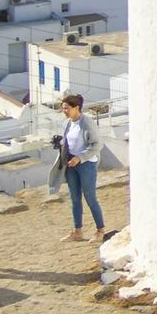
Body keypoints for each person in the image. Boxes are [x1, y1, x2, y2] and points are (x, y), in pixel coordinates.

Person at [55, 93, 107, 243]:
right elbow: (68, 142)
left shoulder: (87, 122)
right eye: (63, 108)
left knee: (90, 197)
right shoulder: (67, 123)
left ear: (76, 107)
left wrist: (80, 158)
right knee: (74, 198)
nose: (64, 111)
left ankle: (100, 230)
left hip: (86, 164)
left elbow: (97, 145)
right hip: (71, 164)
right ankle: (77, 231)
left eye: (66, 108)